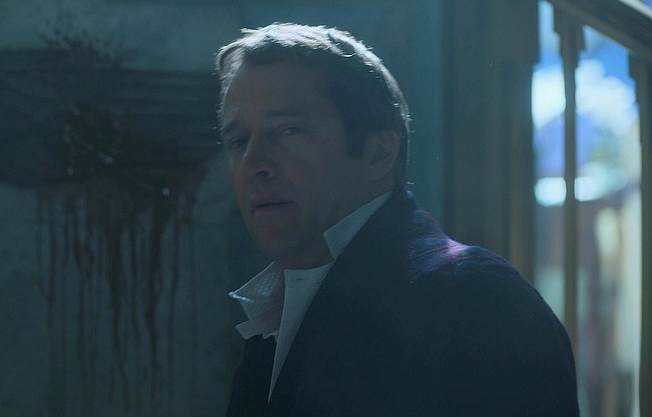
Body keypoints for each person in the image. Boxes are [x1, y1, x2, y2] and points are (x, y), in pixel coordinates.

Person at [216, 23, 579, 417]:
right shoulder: (279, 310)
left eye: (289, 130)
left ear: (379, 152)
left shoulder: (472, 300)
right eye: (239, 141)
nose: (253, 162)